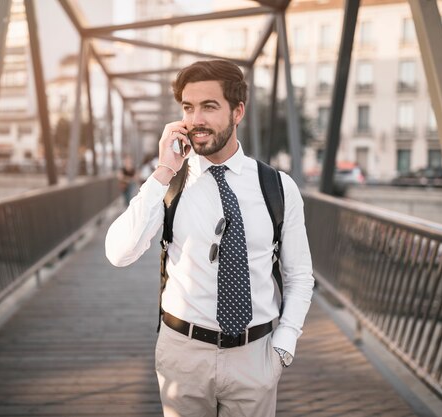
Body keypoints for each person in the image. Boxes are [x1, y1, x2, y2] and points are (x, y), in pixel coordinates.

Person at [105, 59, 314, 417]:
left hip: (256, 355)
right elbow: (118, 253)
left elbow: (299, 276)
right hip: (182, 354)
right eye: (188, 107)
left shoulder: (278, 187)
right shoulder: (170, 183)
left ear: (238, 112)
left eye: (209, 106)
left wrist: (284, 344)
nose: (195, 119)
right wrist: (163, 170)